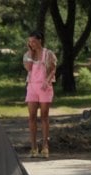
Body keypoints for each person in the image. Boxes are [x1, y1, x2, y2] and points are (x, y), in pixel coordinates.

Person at [23, 30, 57, 159]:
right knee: (31, 116)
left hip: (44, 87)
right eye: (30, 41)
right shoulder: (27, 54)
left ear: (40, 40)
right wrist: (31, 53)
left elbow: (53, 69)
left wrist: (47, 81)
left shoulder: (48, 54)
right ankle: (33, 147)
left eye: (34, 41)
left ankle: (45, 146)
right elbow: (28, 68)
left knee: (44, 116)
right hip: (32, 86)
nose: (32, 43)